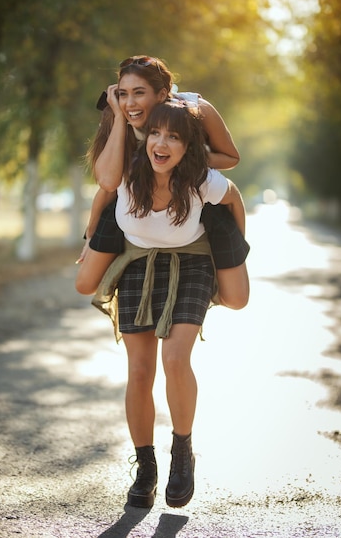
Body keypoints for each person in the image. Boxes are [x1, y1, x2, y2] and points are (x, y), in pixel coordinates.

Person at [91, 100, 247, 508]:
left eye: (174, 136)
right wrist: (90, 234)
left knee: (175, 359)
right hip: (139, 267)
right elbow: (102, 196)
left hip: (193, 265)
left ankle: (182, 455)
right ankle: (146, 468)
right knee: (139, 371)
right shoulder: (127, 169)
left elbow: (234, 202)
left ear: (187, 145)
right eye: (155, 134)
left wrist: (234, 254)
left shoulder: (202, 178)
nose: (162, 143)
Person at [75, 56, 249, 308]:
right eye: (123, 93)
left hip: (188, 195)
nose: (130, 102)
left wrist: (184, 155)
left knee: (236, 300)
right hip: (134, 196)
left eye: (139, 93)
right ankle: (127, 263)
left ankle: (199, 281)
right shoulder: (120, 113)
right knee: (84, 285)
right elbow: (108, 184)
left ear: (161, 95)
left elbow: (231, 158)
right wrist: (90, 234)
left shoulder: (195, 110)